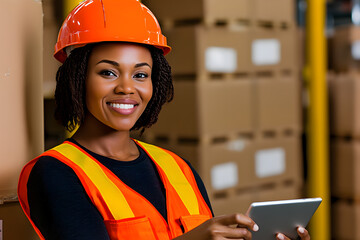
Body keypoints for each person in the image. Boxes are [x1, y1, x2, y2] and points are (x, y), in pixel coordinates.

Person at [18, 0, 311, 239]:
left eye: (141, 74)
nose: (127, 87)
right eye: (108, 72)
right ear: (77, 79)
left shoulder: (178, 168)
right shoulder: (56, 173)